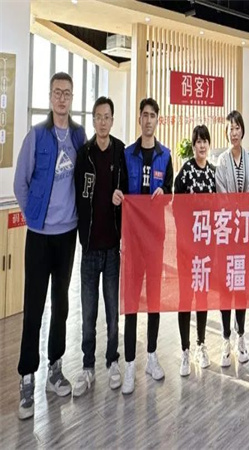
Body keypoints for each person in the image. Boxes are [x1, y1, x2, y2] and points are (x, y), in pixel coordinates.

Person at [14, 72, 86, 420]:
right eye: (57, 92)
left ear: (72, 98)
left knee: (61, 305)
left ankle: (55, 368)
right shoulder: (37, 135)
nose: (62, 98)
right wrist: (33, 218)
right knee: (34, 306)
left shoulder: (79, 136)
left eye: (67, 93)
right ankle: (27, 377)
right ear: (50, 96)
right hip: (39, 236)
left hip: (67, 234)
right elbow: (20, 183)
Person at [72, 97, 127, 396]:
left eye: (107, 117)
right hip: (90, 248)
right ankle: (87, 366)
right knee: (88, 313)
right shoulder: (84, 154)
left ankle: (112, 361)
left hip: (112, 248)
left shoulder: (120, 151)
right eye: (98, 117)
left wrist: (122, 197)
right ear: (93, 120)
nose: (103, 122)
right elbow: (77, 195)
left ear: (112, 120)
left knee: (112, 312)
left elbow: (128, 191)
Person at [121, 98, 173, 394]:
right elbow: (120, 192)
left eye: (153, 115)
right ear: (139, 119)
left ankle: (151, 356)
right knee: (131, 301)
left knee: (154, 298)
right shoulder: (128, 154)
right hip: (132, 241)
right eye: (145, 115)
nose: (149, 120)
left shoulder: (166, 156)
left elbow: (172, 194)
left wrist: (165, 192)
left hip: (155, 240)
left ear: (157, 120)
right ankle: (130, 363)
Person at [174, 125, 217, 376]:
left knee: (202, 296)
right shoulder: (185, 173)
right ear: (193, 145)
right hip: (186, 249)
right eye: (198, 142)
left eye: (205, 141)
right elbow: (177, 210)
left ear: (209, 145)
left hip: (206, 250)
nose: (201, 146)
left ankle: (201, 345)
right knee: (185, 298)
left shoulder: (213, 173)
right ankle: (184, 350)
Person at [215, 110, 249, 367]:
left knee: (241, 287)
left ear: (242, 130)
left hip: (245, 235)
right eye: (230, 128)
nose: (234, 132)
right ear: (226, 132)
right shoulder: (221, 161)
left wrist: (243, 212)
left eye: (237, 127)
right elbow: (221, 196)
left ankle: (241, 336)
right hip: (227, 234)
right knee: (226, 287)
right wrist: (236, 212)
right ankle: (225, 339)